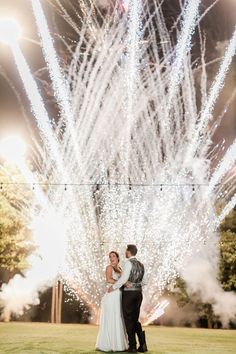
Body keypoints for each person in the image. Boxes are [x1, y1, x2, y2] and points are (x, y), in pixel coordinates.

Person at [108, 244, 148, 353]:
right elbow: (145, 281)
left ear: (129, 252)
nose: (125, 252)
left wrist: (114, 287)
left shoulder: (128, 263)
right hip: (139, 293)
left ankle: (133, 346)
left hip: (129, 294)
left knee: (128, 319)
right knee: (135, 319)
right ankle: (143, 345)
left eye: (126, 251)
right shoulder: (141, 265)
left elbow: (124, 279)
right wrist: (136, 284)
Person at [96, 251, 128, 352]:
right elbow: (109, 279)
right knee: (111, 317)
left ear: (118, 258)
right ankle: (108, 344)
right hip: (111, 295)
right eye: (110, 257)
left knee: (118, 317)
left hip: (118, 295)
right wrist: (121, 282)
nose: (111, 258)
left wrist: (122, 283)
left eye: (113, 256)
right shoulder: (109, 267)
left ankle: (119, 344)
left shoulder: (120, 269)